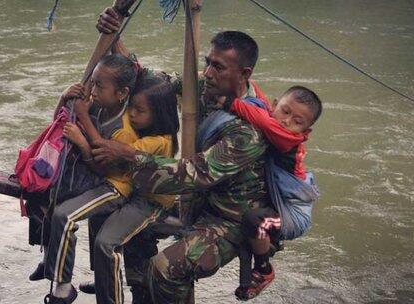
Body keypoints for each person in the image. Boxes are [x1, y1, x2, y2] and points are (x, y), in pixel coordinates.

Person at [92, 28, 273, 303]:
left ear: (244, 74)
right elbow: (149, 79)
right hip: (195, 201)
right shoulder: (202, 86)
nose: (209, 72)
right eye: (208, 63)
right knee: (128, 226)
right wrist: (115, 35)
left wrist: (131, 155)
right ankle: (142, 295)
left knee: (165, 269)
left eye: (219, 67)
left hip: (230, 218)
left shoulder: (248, 130)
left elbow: (196, 174)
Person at [43, 59, 179, 304]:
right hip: (111, 181)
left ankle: (68, 285)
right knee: (53, 198)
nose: (133, 114)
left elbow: (106, 156)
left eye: (140, 110)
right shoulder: (104, 105)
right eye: (132, 108)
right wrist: (66, 98)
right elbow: (62, 120)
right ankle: (91, 276)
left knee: (95, 235)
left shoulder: (144, 137)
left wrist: (83, 123)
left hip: (125, 189)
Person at [220, 85, 323, 300]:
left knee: (256, 221)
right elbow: (262, 103)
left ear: (306, 132)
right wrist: (248, 84)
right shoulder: (272, 113)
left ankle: (264, 269)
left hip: (294, 215)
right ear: (275, 104)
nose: (287, 122)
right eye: (285, 112)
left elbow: (266, 121)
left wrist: (232, 103)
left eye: (298, 122)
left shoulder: (289, 140)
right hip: (283, 202)